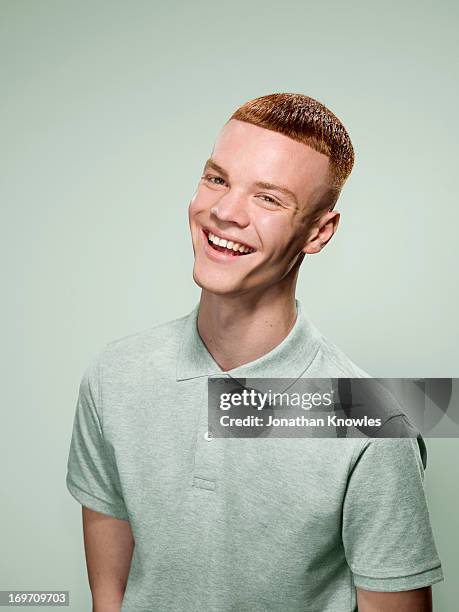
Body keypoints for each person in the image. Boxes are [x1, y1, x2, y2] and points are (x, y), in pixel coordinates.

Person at [66, 93, 444, 612]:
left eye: (268, 198)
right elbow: (109, 596)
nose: (223, 212)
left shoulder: (372, 423)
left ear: (318, 231)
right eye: (217, 179)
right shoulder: (115, 375)